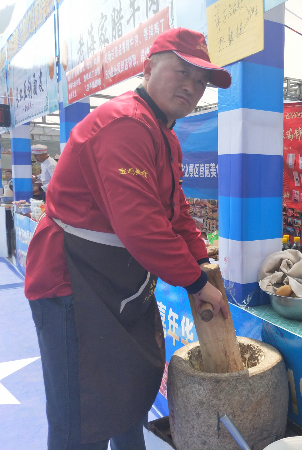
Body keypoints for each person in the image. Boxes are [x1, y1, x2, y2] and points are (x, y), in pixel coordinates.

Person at [24, 28, 232, 450]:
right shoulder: (126, 124)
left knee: (127, 393)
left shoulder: (163, 134)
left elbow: (176, 213)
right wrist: (194, 282)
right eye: (182, 72)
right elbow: (143, 227)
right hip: (72, 282)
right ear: (148, 67)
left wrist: (205, 265)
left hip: (115, 282)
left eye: (201, 81)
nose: (192, 87)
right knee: (79, 415)